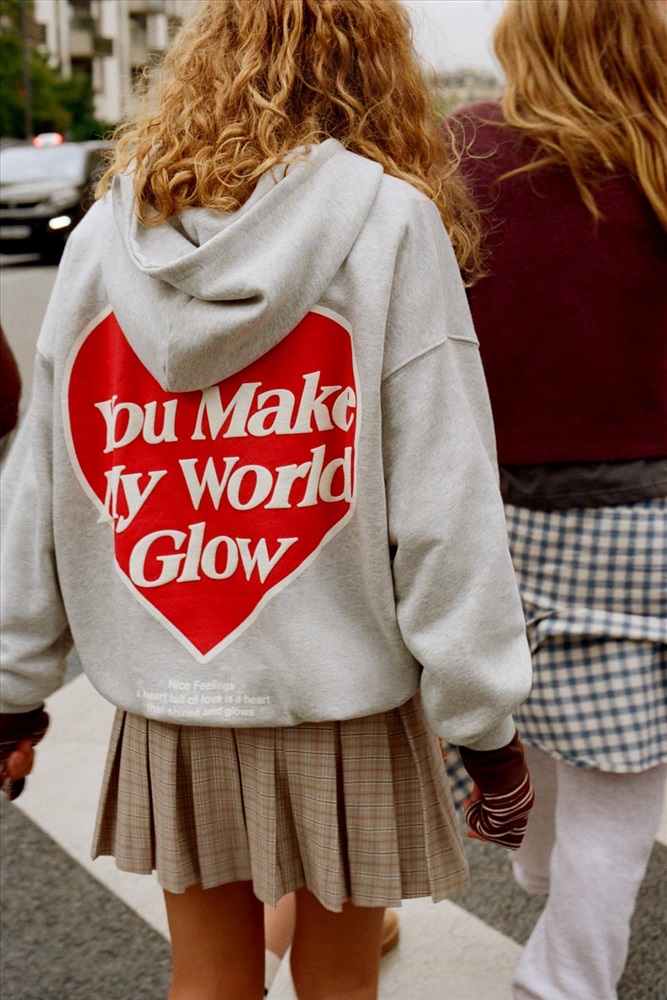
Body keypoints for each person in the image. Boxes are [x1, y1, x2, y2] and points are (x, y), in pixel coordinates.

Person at [0, 2, 535, 998]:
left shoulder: (107, 236)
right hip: (342, 687)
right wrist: (484, 726)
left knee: (207, 977)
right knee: (338, 980)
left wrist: (11, 684)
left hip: (175, 684)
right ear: (376, 73)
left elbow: (44, 476)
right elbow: (443, 506)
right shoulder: (390, 224)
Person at [447, 1, 667, 998]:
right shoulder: (655, 148)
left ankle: (542, 891)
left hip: (495, 506)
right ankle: (564, 974)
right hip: (649, 515)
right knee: (625, 771)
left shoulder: (463, 151)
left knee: (514, 696)